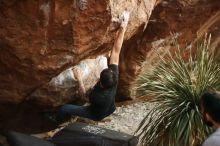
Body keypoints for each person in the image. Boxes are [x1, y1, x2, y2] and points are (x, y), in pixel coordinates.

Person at [52, 11, 130, 122]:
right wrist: (123, 27)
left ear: (100, 81)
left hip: (95, 113)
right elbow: (116, 51)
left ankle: (57, 121)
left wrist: (79, 79)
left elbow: (83, 96)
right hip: (110, 108)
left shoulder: (97, 96)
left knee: (64, 109)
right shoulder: (113, 78)